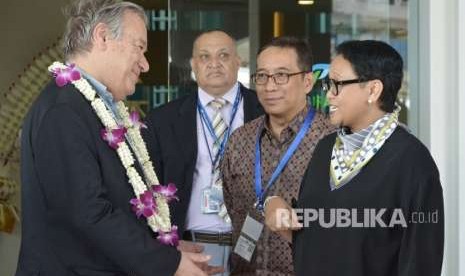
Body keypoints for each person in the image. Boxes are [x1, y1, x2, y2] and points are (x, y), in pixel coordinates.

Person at [17, 1, 214, 275]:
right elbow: (88, 214)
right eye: (140, 47)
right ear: (103, 36)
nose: (145, 64)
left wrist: (166, 250)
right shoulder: (63, 109)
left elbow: (118, 204)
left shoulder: (92, 106)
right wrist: (169, 264)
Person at [264, 40, 444, 276]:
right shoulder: (326, 149)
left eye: (337, 84)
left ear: (373, 90)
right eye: (328, 84)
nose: (328, 94)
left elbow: (421, 263)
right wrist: (275, 208)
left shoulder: (412, 161)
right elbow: (313, 238)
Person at [143, 30, 263, 275]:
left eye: (223, 55)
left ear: (238, 61)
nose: (214, 64)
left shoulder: (265, 111)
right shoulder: (162, 120)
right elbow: (147, 191)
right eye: (205, 57)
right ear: (193, 65)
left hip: (255, 244)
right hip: (190, 248)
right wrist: (167, 245)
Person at [221, 36, 334, 275]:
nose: (269, 86)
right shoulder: (240, 140)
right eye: (261, 76)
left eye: (281, 75)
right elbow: (234, 208)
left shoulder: (332, 142)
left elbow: (343, 225)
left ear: (307, 81)